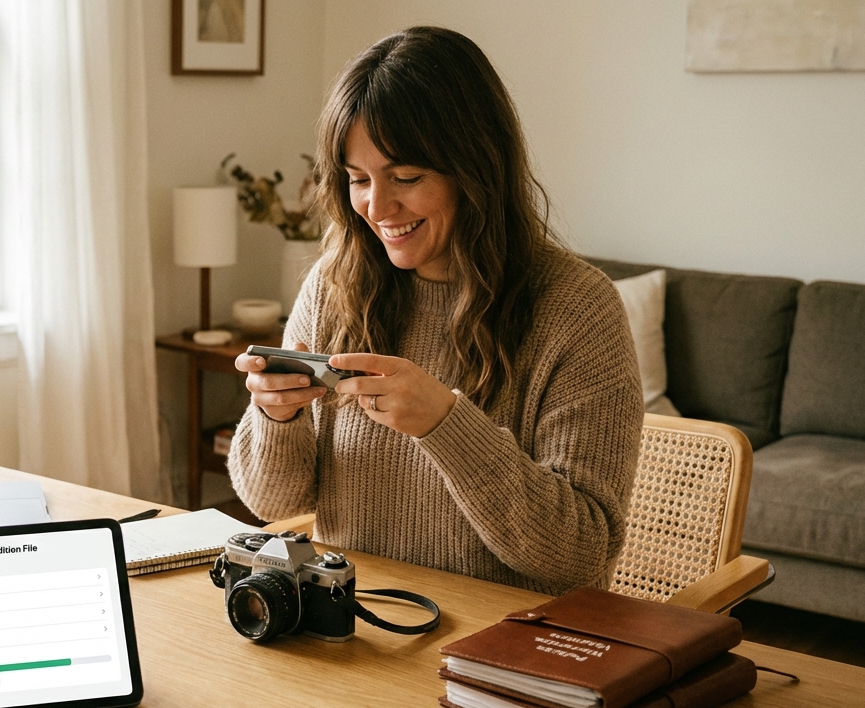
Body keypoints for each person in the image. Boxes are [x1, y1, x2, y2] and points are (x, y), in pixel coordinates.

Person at [227, 26, 644, 596]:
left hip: (501, 651)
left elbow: (580, 556)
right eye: (358, 180)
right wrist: (277, 417)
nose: (378, 207)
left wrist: (446, 424)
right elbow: (275, 502)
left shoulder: (578, 309)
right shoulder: (335, 285)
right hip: (356, 626)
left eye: (407, 177)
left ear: (476, 168)